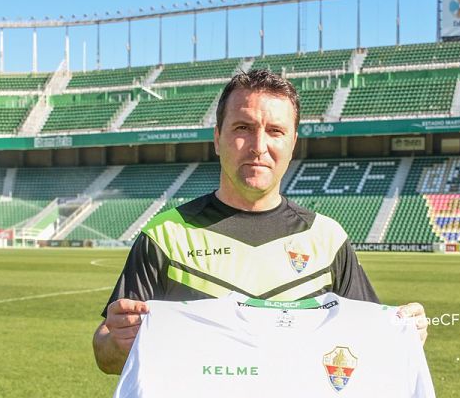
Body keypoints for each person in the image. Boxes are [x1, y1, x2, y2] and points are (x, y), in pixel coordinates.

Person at [94, 69, 428, 374]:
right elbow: (106, 355)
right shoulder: (164, 235)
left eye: (275, 131)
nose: (259, 146)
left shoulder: (327, 238)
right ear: (217, 137)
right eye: (243, 128)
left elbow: (366, 346)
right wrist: (117, 343)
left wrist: (403, 335)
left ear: (292, 142)